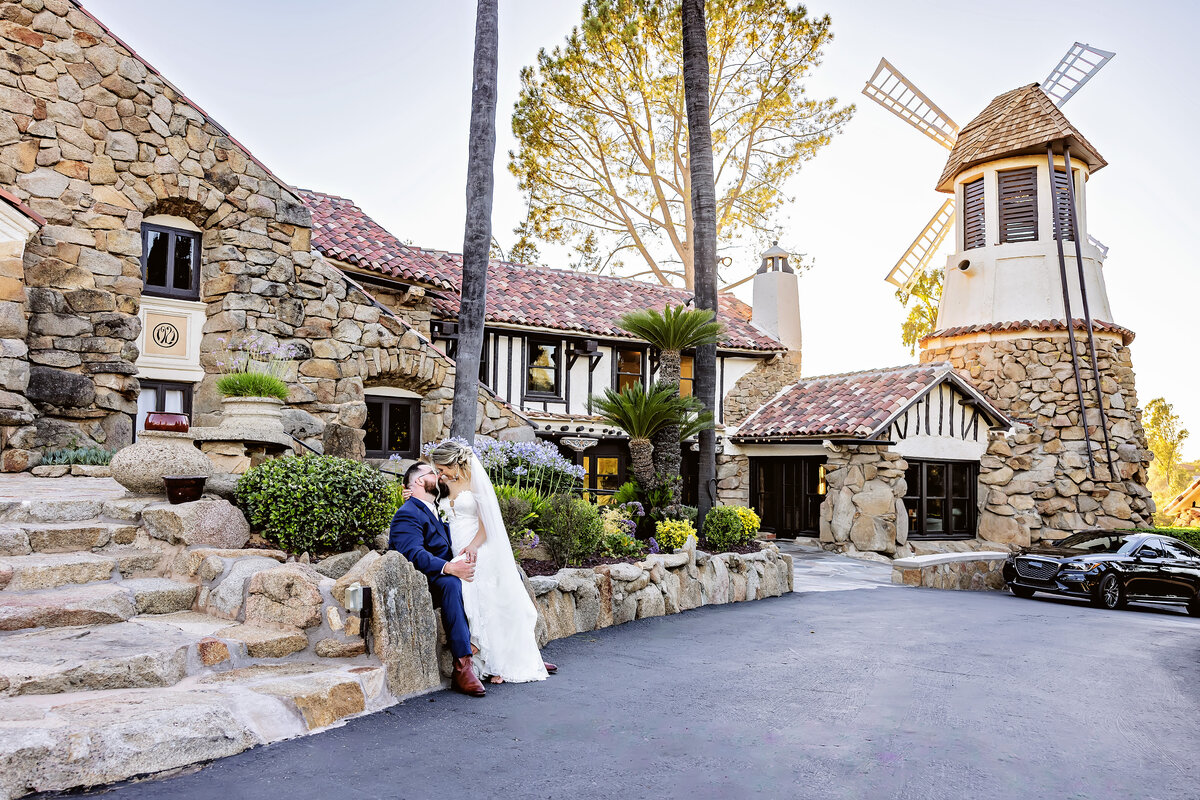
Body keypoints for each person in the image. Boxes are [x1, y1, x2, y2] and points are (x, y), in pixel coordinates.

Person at [426, 439, 557, 685]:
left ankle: (495, 659)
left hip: (478, 546)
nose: (439, 473)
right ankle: (483, 653)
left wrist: (474, 545)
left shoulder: (475, 480)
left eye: (442, 468)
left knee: (487, 600)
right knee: (474, 598)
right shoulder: (444, 484)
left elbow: (489, 521)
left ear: (454, 462)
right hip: (455, 547)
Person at [388, 461, 488, 697]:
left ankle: (509, 653)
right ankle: (463, 667)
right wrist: (449, 568)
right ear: (420, 481)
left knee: (487, 577)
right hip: (423, 582)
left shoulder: (432, 508)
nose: (439, 475)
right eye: (433, 472)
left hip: (442, 573)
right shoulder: (407, 513)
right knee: (452, 583)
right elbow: (412, 554)